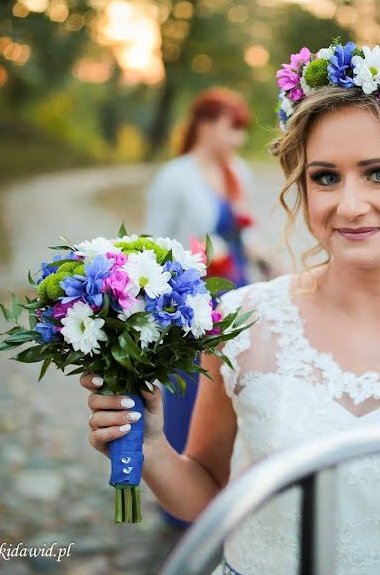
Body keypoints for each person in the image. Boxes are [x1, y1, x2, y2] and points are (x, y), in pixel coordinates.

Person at [83, 41, 380, 574]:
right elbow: (209, 495)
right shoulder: (244, 323)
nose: (349, 204)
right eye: (325, 177)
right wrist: (153, 448)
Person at [143, 87, 269, 528]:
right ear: (205, 124)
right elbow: (153, 245)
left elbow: (242, 233)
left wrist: (264, 256)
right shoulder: (175, 177)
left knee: (230, 395)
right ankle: (179, 501)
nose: (235, 141)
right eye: (230, 129)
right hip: (189, 300)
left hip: (234, 294)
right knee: (187, 393)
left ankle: (225, 491)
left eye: (240, 131)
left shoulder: (237, 172)